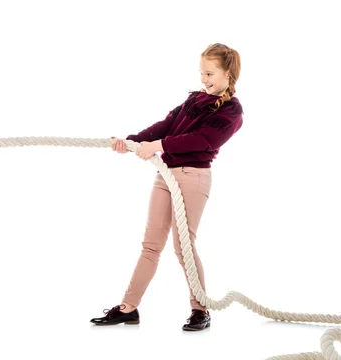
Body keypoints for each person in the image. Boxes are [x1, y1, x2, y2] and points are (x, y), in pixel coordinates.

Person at [91, 43, 243, 331]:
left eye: (210, 73)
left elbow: (201, 140)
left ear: (228, 73)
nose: (204, 78)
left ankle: (200, 310)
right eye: (201, 72)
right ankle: (129, 307)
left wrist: (157, 146)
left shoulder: (232, 111)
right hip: (166, 174)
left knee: (183, 246)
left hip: (193, 177)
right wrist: (132, 141)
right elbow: (166, 124)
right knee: (151, 244)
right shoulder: (193, 100)